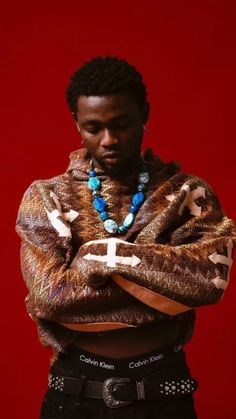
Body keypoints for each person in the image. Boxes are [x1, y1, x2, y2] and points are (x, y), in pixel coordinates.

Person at [16, 56, 236, 419]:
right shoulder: (46, 197)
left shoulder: (186, 194)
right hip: (74, 390)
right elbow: (50, 296)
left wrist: (100, 257)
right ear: (76, 123)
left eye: (121, 125)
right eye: (93, 128)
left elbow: (206, 281)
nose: (109, 140)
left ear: (144, 114)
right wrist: (161, 283)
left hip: (162, 387)